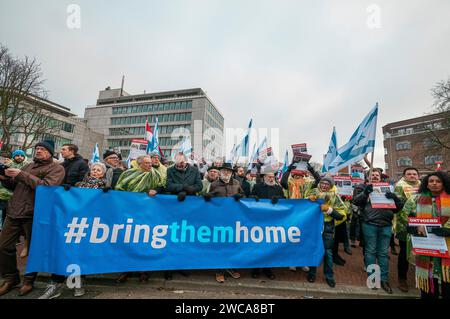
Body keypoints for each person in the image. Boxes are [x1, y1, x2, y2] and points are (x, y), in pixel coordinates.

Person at [0, 140, 65, 298]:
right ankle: (11, 278)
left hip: (35, 213)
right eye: (37, 148)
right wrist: (5, 177)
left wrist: (21, 175)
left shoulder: (57, 168)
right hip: (14, 211)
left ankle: (29, 281)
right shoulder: (28, 166)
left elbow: (47, 187)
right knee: (3, 246)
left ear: (50, 152)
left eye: (42, 149)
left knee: (35, 249)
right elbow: (16, 185)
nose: (38, 151)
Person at [115, 155, 165, 283]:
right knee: (128, 240)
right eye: (147, 163)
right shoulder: (128, 174)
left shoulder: (155, 174)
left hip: (146, 213)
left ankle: (143, 271)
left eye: (150, 163)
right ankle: (125, 269)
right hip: (129, 212)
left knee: (143, 240)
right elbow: (119, 189)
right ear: (139, 164)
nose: (150, 165)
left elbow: (163, 186)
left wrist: (156, 190)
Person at [353, 168, 404, 294]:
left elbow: (397, 209)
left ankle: (384, 279)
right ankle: (373, 278)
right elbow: (356, 202)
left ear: (380, 177)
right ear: (368, 177)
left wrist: (395, 199)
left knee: (383, 253)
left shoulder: (388, 188)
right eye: (372, 175)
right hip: (369, 224)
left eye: (377, 175)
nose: (375, 176)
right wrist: (365, 193)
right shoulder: (363, 187)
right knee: (370, 251)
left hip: (386, 225)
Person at [403, 171, 450, 299]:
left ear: (444, 183)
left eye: (438, 181)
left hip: (447, 247)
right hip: (426, 249)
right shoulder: (415, 199)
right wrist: (411, 227)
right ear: (427, 184)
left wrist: (448, 230)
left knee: (447, 285)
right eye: (431, 181)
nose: (434, 184)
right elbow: (404, 216)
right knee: (428, 288)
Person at [164, 152, 202, 280]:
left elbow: (199, 186)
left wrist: (190, 190)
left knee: (185, 236)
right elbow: (168, 185)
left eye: (182, 163)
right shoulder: (170, 170)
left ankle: (182, 265)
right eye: (178, 164)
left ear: (186, 162)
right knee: (172, 236)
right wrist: (182, 188)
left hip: (190, 207)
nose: (180, 166)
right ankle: (168, 267)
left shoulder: (194, 170)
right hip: (174, 206)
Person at [207, 163, 243, 283]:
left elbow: (244, 196)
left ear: (232, 172)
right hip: (219, 220)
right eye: (224, 170)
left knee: (232, 245)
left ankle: (230, 267)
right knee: (219, 245)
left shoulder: (237, 183)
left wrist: (240, 196)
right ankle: (219, 271)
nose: (226, 172)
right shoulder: (214, 184)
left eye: (228, 171)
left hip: (233, 220)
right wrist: (206, 196)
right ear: (220, 172)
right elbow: (208, 200)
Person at [307, 177, 347, 288]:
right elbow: (303, 206)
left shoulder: (335, 196)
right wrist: (308, 199)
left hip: (328, 227)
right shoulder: (313, 192)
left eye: (327, 184)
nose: (324, 186)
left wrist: (329, 210)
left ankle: (329, 276)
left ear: (331, 185)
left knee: (328, 252)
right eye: (322, 183)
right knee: (313, 249)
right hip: (314, 226)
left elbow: (342, 215)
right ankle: (312, 273)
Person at [250, 171, 285, 280]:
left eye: (273, 177)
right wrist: (253, 197)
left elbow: (284, 200)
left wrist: (278, 199)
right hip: (258, 220)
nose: (271, 178)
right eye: (269, 177)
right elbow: (249, 197)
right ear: (264, 177)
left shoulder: (278, 188)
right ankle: (255, 268)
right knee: (258, 245)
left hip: (272, 221)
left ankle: (267, 269)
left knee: (269, 246)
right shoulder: (257, 186)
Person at [394, 167, 421, 293]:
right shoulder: (399, 186)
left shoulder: (424, 186)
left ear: (418, 176)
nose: (412, 176)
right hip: (405, 225)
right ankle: (402, 278)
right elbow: (397, 205)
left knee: (422, 251)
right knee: (404, 252)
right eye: (409, 174)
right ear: (404, 176)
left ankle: (422, 278)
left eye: (414, 174)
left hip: (422, 224)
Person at [0, 150, 29, 257]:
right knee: (6, 216)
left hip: (16, 196)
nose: (19, 157)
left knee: (19, 220)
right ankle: (5, 235)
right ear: (14, 156)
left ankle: (19, 240)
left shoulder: (27, 166)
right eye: (17, 155)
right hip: (3, 194)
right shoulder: (8, 164)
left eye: (22, 155)